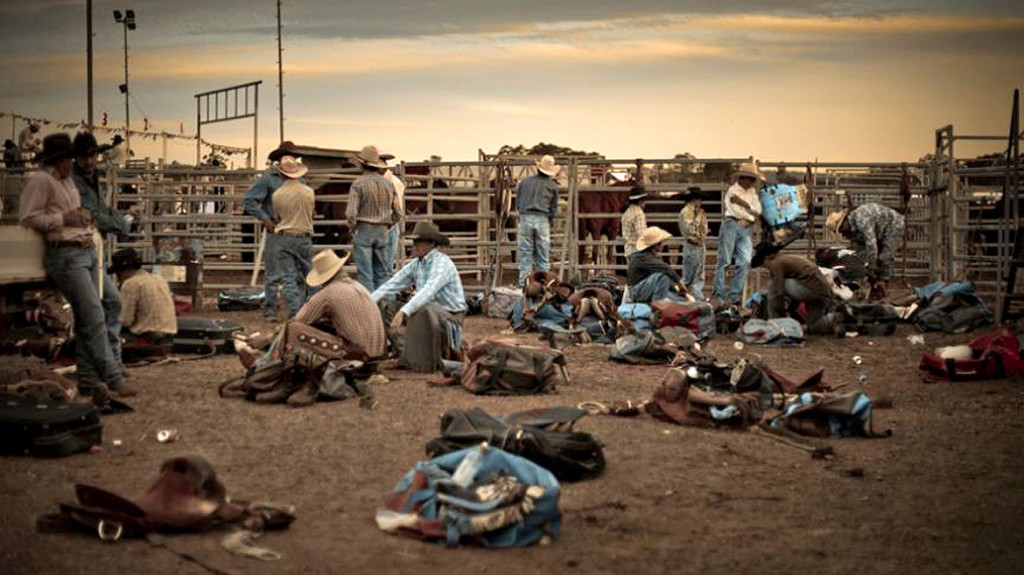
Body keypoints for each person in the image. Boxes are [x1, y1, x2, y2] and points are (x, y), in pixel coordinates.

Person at [19, 133, 136, 398]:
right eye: (70, 158)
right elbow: (28, 218)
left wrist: (80, 218)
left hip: (82, 249)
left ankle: (89, 377)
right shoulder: (42, 182)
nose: (73, 162)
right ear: (59, 160)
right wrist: (64, 218)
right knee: (93, 314)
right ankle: (112, 376)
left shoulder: (65, 181)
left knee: (89, 316)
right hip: (67, 253)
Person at [236, 250, 388, 406]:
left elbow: (295, 323)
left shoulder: (327, 294)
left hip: (355, 355)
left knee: (294, 329)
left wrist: (267, 338)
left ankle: (264, 367)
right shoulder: (359, 287)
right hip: (374, 357)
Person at [372, 221, 467, 373]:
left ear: (430, 243)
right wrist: (367, 302)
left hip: (451, 317)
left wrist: (404, 312)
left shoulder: (442, 263)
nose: (414, 245)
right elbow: (392, 284)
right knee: (385, 305)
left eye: (418, 241)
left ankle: (429, 359)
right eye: (414, 241)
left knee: (423, 309)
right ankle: (406, 355)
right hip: (429, 314)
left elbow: (429, 290)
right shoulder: (417, 264)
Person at [72, 131, 129, 370]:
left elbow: (100, 212)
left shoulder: (91, 177)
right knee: (97, 309)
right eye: (83, 157)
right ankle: (103, 366)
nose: (88, 161)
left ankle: (110, 361)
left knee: (110, 303)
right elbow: (91, 215)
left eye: (91, 155)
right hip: (79, 251)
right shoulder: (74, 180)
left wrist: (116, 221)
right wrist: (122, 224)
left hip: (89, 252)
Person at [243, 140, 305, 321]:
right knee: (274, 274)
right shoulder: (269, 178)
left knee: (298, 273)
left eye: (293, 156)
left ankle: (298, 311)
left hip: (296, 230)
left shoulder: (299, 177)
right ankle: (271, 310)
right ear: (279, 159)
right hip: (278, 230)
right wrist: (266, 219)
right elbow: (249, 200)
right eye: (289, 156)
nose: (291, 159)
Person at [751, 242, 838, 335]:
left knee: (774, 286)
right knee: (813, 326)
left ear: (767, 258)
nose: (766, 268)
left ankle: (776, 324)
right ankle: (832, 320)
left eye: (764, 265)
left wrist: (779, 313)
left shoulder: (776, 263)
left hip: (810, 288)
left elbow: (777, 292)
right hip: (823, 292)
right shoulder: (788, 259)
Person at [347, 145, 401, 292]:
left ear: (363, 164)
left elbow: (351, 214)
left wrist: (353, 229)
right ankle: (386, 308)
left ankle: (369, 309)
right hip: (382, 230)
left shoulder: (358, 184)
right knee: (382, 272)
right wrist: (388, 224)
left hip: (364, 228)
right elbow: (398, 213)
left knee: (365, 273)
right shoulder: (388, 184)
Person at [825, 203, 906, 300]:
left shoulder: (861, 219)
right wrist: (865, 267)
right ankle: (875, 287)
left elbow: (871, 245)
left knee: (885, 256)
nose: (842, 233)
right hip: (880, 229)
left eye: (841, 229)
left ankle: (883, 286)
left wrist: (871, 268)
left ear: (844, 222)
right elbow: (860, 251)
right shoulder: (854, 228)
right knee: (871, 258)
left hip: (893, 225)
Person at [713, 162, 764, 309]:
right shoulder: (732, 191)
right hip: (733, 223)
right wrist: (750, 214)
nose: (752, 182)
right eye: (750, 179)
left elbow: (758, 210)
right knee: (725, 260)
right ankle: (719, 295)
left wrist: (745, 206)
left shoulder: (750, 193)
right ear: (743, 178)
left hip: (744, 226)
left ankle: (734, 296)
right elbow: (735, 211)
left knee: (745, 261)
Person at [270, 155, 315, 318]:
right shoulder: (308, 192)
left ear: (281, 174)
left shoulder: (277, 194)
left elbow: (277, 216)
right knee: (311, 274)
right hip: (303, 235)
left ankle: (295, 312)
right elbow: (311, 213)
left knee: (289, 277)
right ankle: (314, 308)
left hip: (284, 236)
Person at [108, 248, 177, 345]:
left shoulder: (130, 283)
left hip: (147, 336)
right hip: (168, 334)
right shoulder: (159, 279)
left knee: (110, 333)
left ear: (123, 271)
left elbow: (125, 320)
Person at [516, 154, 561, 287]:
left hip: (525, 217)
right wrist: (550, 220)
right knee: (543, 254)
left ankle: (524, 285)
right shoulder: (553, 186)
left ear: (538, 168)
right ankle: (544, 285)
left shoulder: (524, 182)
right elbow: (553, 207)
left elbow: (518, 202)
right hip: (542, 218)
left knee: (525, 254)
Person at [627, 226, 689, 303]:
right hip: (636, 291)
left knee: (681, 300)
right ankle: (657, 306)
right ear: (655, 245)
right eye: (660, 243)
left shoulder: (649, 256)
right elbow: (665, 268)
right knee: (663, 276)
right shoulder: (641, 257)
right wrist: (680, 283)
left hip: (646, 288)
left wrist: (675, 290)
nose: (662, 244)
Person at [677, 186, 709, 299]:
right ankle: (696, 300)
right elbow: (690, 230)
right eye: (699, 199)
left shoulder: (698, 212)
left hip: (698, 246)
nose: (700, 202)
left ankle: (694, 300)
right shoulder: (686, 212)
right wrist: (699, 219)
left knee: (697, 276)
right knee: (690, 278)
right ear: (694, 199)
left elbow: (703, 231)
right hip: (692, 245)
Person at [380, 152, 406, 274]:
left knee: (384, 265)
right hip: (388, 224)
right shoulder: (394, 181)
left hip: (386, 224)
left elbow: (397, 209)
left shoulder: (389, 182)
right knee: (386, 264)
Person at [620, 185, 648, 259]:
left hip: (629, 250)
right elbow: (641, 234)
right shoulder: (638, 213)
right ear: (640, 201)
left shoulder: (627, 212)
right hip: (638, 252)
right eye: (644, 200)